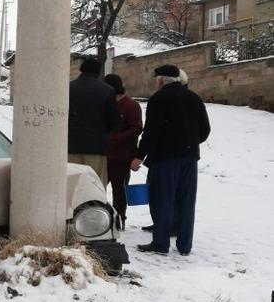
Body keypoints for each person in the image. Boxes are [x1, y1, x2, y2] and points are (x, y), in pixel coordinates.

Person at [132, 65, 211, 256]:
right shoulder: (194, 97)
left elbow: (151, 132)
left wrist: (139, 156)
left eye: (156, 79)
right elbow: (205, 130)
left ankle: (160, 244)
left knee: (163, 200)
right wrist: (189, 143)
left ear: (161, 80)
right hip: (189, 158)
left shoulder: (158, 99)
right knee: (186, 201)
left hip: (165, 159)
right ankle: (184, 246)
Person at [68, 59, 119, 186]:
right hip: (96, 148)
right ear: (98, 72)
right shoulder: (107, 90)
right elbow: (114, 121)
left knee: (72, 185)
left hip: (70, 146)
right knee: (94, 185)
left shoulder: (68, 88)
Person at [103, 74, 143, 230]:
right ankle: (99, 219)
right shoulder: (107, 104)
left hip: (122, 157)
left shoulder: (131, 105)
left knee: (120, 192)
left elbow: (137, 128)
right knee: (98, 189)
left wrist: (115, 138)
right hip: (104, 156)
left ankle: (119, 220)